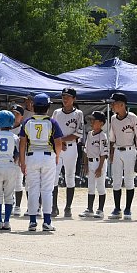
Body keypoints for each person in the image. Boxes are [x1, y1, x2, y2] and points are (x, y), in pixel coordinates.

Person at [18, 93, 63, 232]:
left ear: (33, 106)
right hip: (47, 156)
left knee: (33, 189)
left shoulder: (27, 122)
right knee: (47, 190)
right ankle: (47, 221)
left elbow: (22, 143)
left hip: (32, 156)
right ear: (48, 107)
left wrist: (22, 161)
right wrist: (57, 156)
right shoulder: (52, 122)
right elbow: (58, 142)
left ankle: (32, 221)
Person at [107, 92, 137, 220]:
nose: (112, 106)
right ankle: (117, 209)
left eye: (114, 103)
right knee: (116, 181)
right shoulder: (113, 118)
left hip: (130, 150)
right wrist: (111, 153)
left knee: (129, 180)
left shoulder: (132, 117)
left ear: (122, 104)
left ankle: (128, 209)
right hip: (117, 150)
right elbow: (112, 138)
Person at [51, 88, 84, 218]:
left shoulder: (78, 113)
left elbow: (78, 133)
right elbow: (51, 130)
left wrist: (62, 140)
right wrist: (59, 142)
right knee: (54, 176)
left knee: (69, 176)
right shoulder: (56, 112)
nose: (65, 99)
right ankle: (54, 207)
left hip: (71, 147)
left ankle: (68, 207)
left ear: (74, 99)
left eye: (68, 97)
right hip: (58, 147)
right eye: (63, 96)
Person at [0, 110, 20, 231]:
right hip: (10, 165)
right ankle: (7, 221)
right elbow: (17, 153)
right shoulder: (14, 137)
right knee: (9, 195)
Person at [81, 111, 109, 219]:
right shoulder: (90, 134)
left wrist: (100, 167)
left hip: (99, 162)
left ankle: (100, 210)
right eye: (91, 120)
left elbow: (103, 153)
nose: (91, 122)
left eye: (94, 120)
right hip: (90, 162)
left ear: (101, 123)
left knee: (100, 186)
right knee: (91, 187)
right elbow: (86, 150)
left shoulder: (102, 136)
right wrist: (86, 164)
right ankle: (89, 209)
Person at [10, 104, 26, 216]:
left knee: (18, 183)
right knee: (6, 183)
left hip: (18, 159)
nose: (15, 116)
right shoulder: (5, 127)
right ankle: (9, 203)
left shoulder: (23, 129)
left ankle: (18, 206)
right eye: (13, 113)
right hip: (6, 158)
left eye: (17, 114)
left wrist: (20, 157)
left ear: (22, 117)